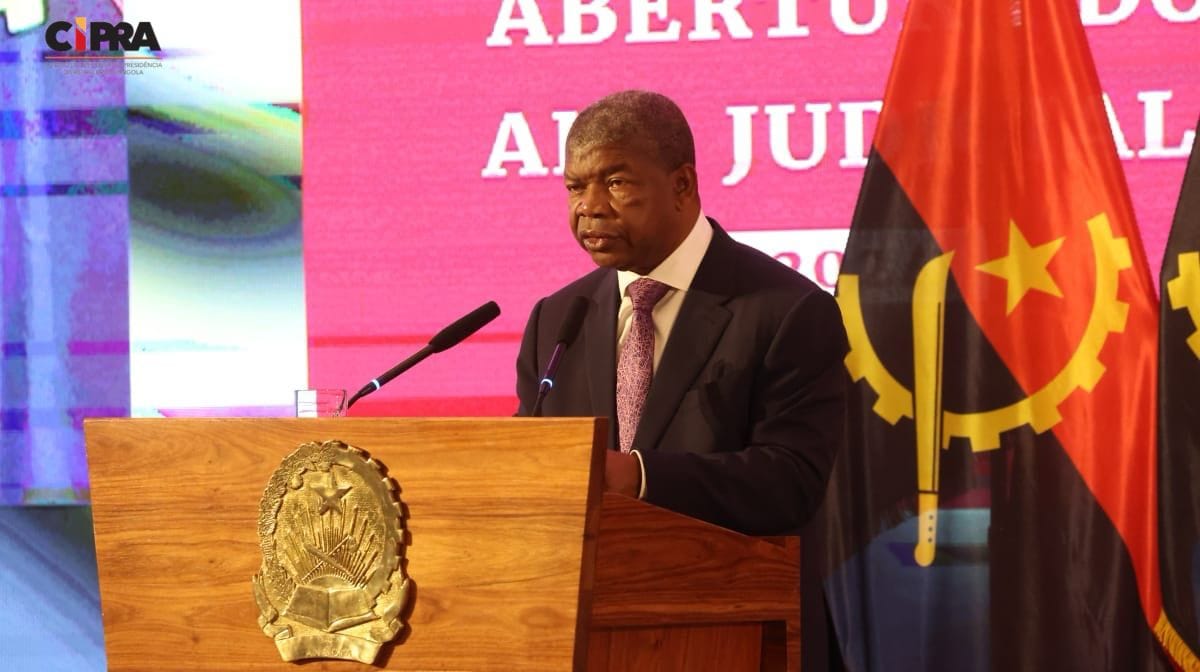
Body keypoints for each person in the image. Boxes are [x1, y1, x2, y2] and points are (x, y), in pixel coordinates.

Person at [515, 90, 848, 538]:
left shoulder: (788, 311)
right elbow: (531, 462)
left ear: (682, 186)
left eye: (616, 183)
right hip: (581, 580)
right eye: (575, 187)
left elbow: (791, 482)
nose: (589, 207)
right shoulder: (556, 320)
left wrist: (640, 477)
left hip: (726, 580)